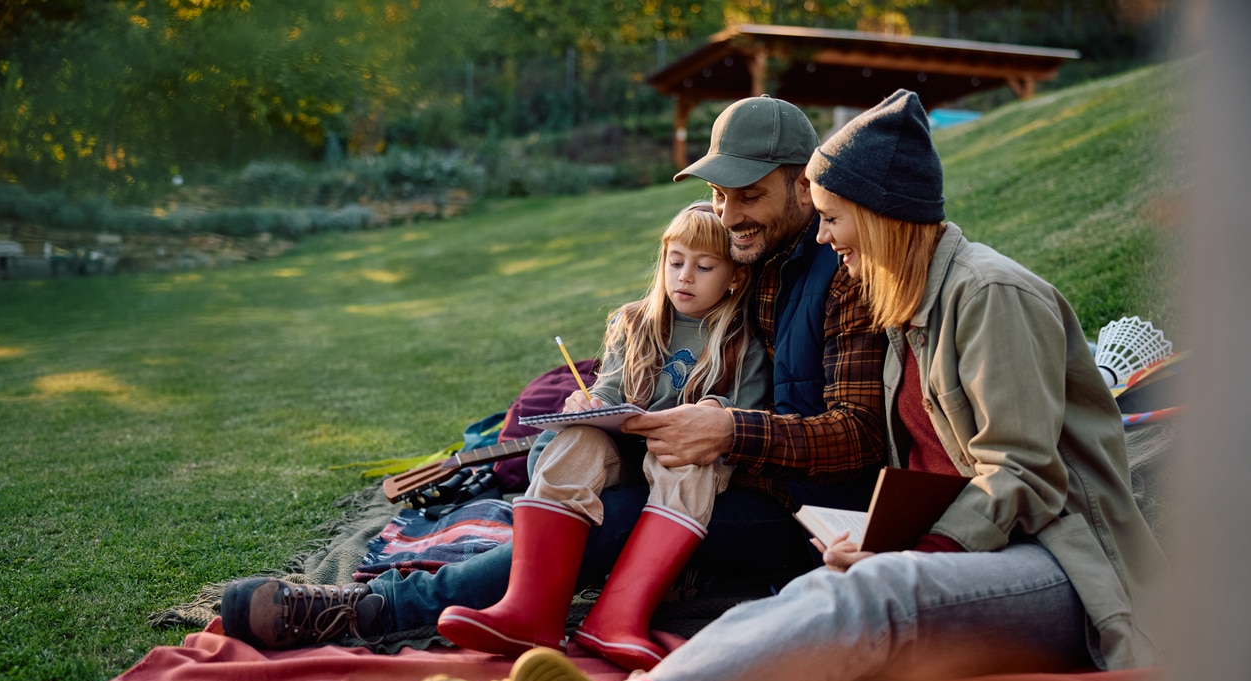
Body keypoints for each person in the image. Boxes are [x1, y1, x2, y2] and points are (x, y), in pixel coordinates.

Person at [419, 89, 1170, 681]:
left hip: (1064, 563)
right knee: (808, 610)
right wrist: (869, 530)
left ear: (880, 215)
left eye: (835, 219)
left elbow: (1021, 476)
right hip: (979, 555)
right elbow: (922, 464)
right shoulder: (908, 307)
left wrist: (904, 547)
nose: (828, 239)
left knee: (875, 591)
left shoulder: (991, 295)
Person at [219, 95, 888, 652]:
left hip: (794, 511)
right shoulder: (755, 256)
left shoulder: (842, 274)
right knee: (565, 444)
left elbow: (859, 438)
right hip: (716, 461)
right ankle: (525, 607)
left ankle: (373, 610)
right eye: (718, 193)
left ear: (804, 183)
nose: (728, 213)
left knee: (612, 517)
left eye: (748, 194)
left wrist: (728, 431)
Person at [435, 201, 769, 671]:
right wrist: (589, 403)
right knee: (579, 440)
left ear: (734, 276)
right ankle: (530, 612)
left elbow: (745, 411)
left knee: (688, 462)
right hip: (623, 449)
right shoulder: (635, 323)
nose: (684, 277)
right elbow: (609, 387)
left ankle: (615, 618)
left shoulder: (741, 339)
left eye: (704, 266)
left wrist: (709, 412)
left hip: (682, 456)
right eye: (676, 262)